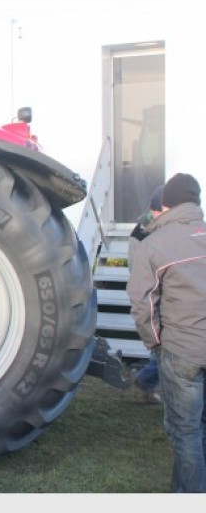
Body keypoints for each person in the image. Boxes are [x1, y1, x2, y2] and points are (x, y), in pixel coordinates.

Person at [126, 172, 206, 492]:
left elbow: (142, 305)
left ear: (167, 203)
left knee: (185, 434)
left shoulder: (154, 243)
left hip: (180, 351)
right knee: (199, 429)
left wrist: (154, 344)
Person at [127, 184, 164, 404]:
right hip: (154, 294)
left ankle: (148, 381)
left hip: (158, 293)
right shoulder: (141, 233)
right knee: (165, 344)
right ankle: (147, 379)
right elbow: (137, 270)